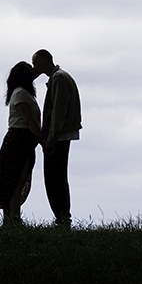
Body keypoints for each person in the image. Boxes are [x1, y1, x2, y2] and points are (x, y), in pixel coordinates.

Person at [0, 61, 49, 224]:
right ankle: (14, 219)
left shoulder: (22, 93)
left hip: (21, 140)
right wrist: (43, 141)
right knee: (16, 183)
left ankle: (11, 219)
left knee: (14, 182)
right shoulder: (21, 93)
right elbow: (29, 121)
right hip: (20, 140)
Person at [32, 49, 81, 226]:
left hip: (58, 136)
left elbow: (58, 112)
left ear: (44, 61)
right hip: (61, 134)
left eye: (35, 63)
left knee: (55, 178)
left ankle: (62, 218)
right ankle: (62, 217)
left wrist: (50, 139)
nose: (34, 67)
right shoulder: (59, 77)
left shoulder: (58, 78)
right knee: (57, 177)